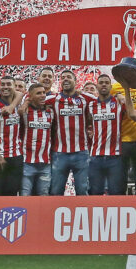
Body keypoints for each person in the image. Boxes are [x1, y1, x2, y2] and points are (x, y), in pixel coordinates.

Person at [46, 68, 91, 196]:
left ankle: (82, 215)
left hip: (81, 152)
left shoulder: (85, 99)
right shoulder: (52, 99)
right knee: (55, 191)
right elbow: (32, 100)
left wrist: (119, 96)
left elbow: (103, 100)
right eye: (63, 77)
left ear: (76, 81)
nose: (65, 79)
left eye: (69, 77)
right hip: (59, 153)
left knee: (82, 191)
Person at [0, 75, 24, 196]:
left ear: (14, 87)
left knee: (12, 193)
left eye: (9, 84)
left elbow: (23, 94)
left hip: (16, 156)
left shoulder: (19, 105)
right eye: (3, 84)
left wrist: (12, 106)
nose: (5, 87)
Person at [87, 74, 126, 195]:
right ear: (97, 86)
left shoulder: (119, 102)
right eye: (101, 82)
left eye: (106, 82)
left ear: (111, 86)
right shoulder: (91, 105)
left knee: (116, 193)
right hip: (95, 157)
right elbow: (87, 123)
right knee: (95, 192)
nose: (104, 84)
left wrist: (119, 94)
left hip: (116, 157)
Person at [111, 78, 136, 193]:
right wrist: (117, 96)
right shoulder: (115, 87)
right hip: (123, 139)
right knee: (120, 176)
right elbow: (101, 97)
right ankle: (120, 203)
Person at [20, 83, 54, 195]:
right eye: (38, 93)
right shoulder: (24, 112)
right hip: (27, 162)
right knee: (25, 197)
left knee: (43, 197)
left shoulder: (51, 112)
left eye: (44, 92)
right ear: (30, 97)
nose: (43, 95)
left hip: (45, 163)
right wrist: (25, 103)